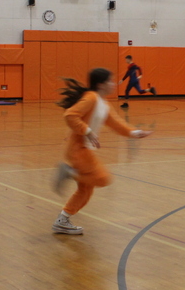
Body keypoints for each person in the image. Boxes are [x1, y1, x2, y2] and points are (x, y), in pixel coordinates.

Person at [51, 68, 152, 235]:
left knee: (86, 189)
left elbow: (116, 124)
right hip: (78, 148)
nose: (113, 84)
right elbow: (70, 115)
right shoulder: (91, 98)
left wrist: (135, 133)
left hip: (81, 148)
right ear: (101, 84)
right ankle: (69, 173)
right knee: (102, 178)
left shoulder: (102, 103)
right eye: (110, 81)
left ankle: (62, 221)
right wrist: (88, 131)